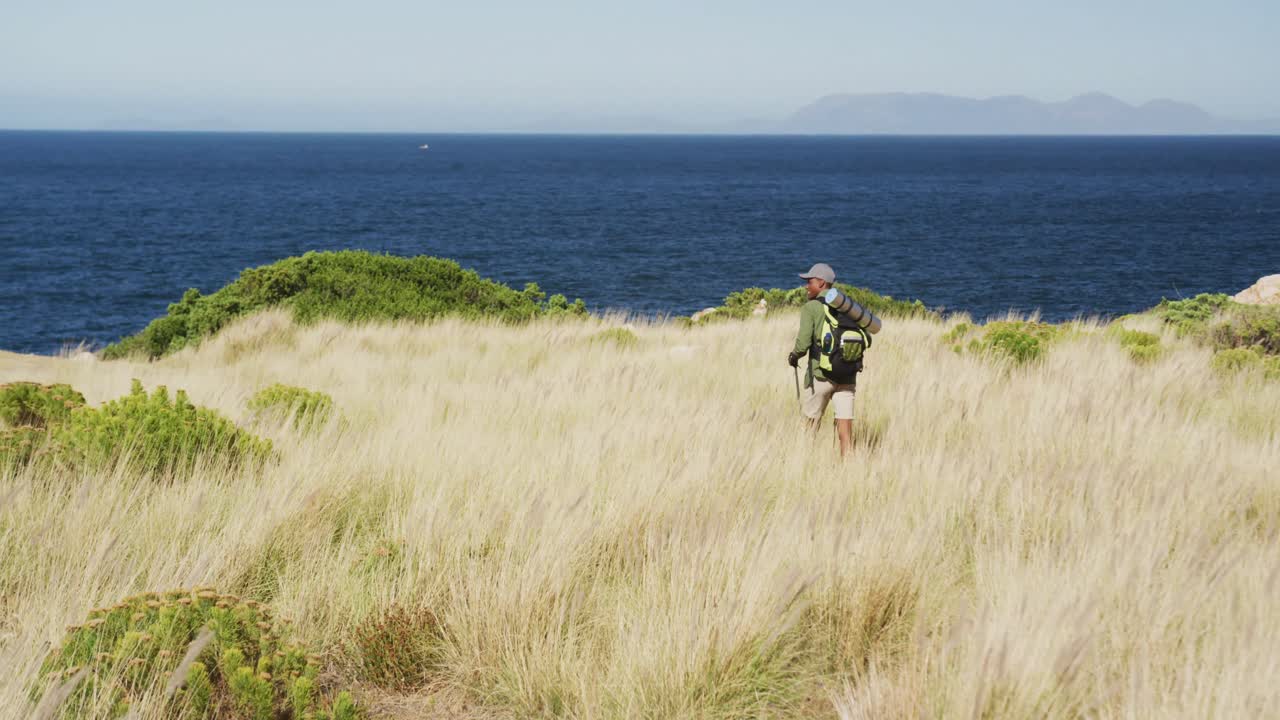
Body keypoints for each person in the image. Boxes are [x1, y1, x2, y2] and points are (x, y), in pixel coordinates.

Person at [788, 263, 855, 456]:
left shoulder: (811, 307)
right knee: (845, 431)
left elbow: (803, 344)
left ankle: (803, 460)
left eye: (809, 282)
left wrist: (794, 356)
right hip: (847, 374)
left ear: (821, 283)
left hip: (821, 375)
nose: (806, 286)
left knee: (809, 426)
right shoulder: (846, 306)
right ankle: (849, 466)